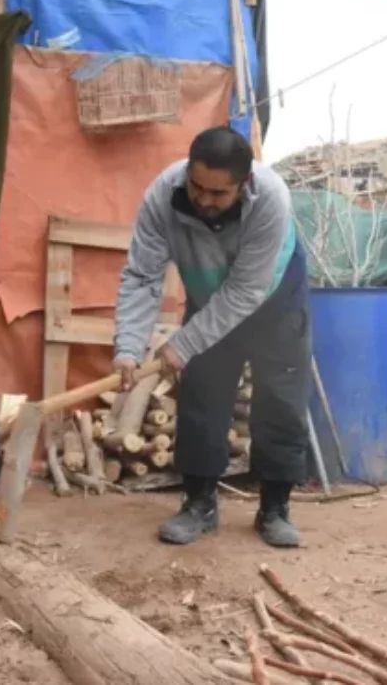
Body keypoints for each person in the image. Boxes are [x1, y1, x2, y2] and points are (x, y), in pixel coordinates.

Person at [112, 126, 311, 548]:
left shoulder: (271, 199)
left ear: (245, 183)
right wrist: (128, 347)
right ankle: (199, 504)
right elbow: (142, 275)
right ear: (188, 170)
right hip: (209, 295)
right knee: (202, 395)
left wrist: (183, 342)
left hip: (273, 296)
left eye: (218, 194)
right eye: (197, 187)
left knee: (280, 398)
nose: (203, 200)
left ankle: (275, 507)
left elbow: (244, 291)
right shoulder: (162, 195)